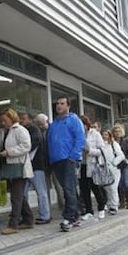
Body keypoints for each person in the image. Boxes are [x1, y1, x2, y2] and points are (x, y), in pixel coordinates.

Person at [47, 95, 85, 232]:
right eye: (57, 103)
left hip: (69, 160)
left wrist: (73, 157)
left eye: (62, 103)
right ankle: (76, 216)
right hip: (56, 161)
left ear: (68, 106)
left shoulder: (74, 120)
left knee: (68, 189)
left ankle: (68, 218)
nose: (59, 106)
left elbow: (80, 139)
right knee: (69, 189)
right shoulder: (54, 124)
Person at [0, 108, 34, 235]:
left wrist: (9, 152)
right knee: (20, 196)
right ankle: (28, 220)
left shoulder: (20, 130)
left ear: (11, 118)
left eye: (5, 120)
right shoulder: (7, 131)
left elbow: (26, 146)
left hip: (20, 168)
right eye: (1, 121)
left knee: (16, 197)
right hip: (12, 168)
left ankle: (13, 224)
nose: (3, 123)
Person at [20, 112, 50, 224]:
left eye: (23, 118)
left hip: (36, 166)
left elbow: (33, 142)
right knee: (23, 193)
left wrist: (22, 150)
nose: (21, 121)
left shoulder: (34, 130)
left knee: (40, 191)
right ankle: (26, 216)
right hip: (27, 166)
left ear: (30, 120)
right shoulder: (25, 130)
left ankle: (45, 216)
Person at [79, 115, 107, 220]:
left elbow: (102, 150)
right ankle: (88, 210)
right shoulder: (78, 135)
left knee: (96, 188)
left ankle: (101, 208)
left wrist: (89, 151)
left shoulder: (95, 134)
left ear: (86, 125)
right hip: (81, 165)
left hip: (93, 165)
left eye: (81, 125)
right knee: (84, 189)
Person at [34, 113, 63, 212]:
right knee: (45, 188)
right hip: (44, 164)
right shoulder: (38, 132)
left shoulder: (54, 130)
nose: (41, 127)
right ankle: (47, 210)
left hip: (55, 162)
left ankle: (63, 207)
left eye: (42, 124)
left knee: (58, 186)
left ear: (47, 122)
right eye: (39, 125)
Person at [101, 130, 125, 215]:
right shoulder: (100, 145)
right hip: (104, 170)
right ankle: (110, 204)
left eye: (106, 134)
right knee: (107, 188)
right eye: (103, 134)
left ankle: (114, 205)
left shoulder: (114, 144)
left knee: (113, 187)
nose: (104, 136)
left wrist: (114, 163)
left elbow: (121, 155)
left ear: (109, 135)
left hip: (114, 170)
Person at [112, 125, 128, 209]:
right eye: (116, 131)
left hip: (125, 165)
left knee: (126, 183)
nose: (117, 133)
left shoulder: (126, 142)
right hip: (115, 165)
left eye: (119, 131)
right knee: (119, 184)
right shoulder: (112, 142)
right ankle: (122, 201)